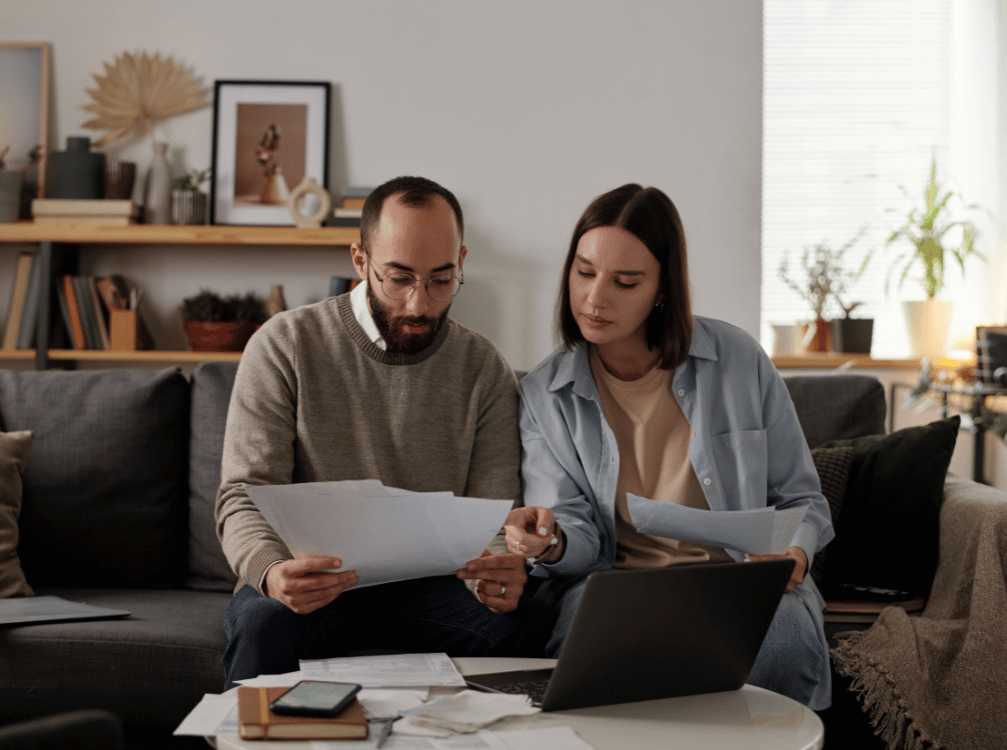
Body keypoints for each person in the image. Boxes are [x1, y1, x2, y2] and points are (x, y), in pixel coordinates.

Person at [216, 175, 554, 687]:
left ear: (461, 261)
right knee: (264, 627)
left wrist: (500, 570)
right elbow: (241, 495)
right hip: (313, 579)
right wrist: (270, 572)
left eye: (441, 280)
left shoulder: (483, 367)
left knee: (531, 628)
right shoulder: (283, 345)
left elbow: (494, 514)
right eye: (398, 278)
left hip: (436, 588)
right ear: (360, 260)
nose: (420, 304)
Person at [505, 184, 834, 710]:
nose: (595, 298)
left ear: (662, 289)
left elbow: (802, 499)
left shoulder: (739, 360)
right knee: (584, 655)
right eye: (584, 272)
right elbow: (576, 533)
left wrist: (794, 549)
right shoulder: (544, 395)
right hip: (615, 586)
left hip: (737, 582)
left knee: (783, 642)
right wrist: (550, 542)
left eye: (625, 281)